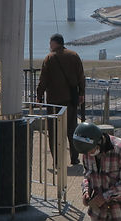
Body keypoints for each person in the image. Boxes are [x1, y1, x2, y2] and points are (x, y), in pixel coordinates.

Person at [74, 121, 121, 220]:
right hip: (100, 212)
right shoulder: (87, 151)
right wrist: (86, 191)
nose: (89, 154)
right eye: (86, 152)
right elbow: (87, 176)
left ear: (99, 142)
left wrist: (104, 197)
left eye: (91, 151)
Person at [37, 33, 87, 165]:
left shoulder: (49, 58)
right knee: (72, 130)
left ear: (54, 43)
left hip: (54, 101)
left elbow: (43, 80)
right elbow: (81, 77)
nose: (49, 46)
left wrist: (39, 96)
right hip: (71, 100)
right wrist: (81, 92)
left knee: (54, 133)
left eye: (50, 43)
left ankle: (58, 161)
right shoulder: (74, 56)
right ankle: (74, 158)